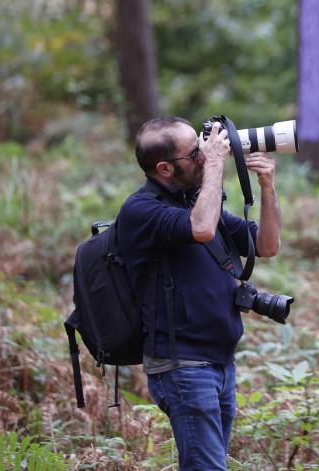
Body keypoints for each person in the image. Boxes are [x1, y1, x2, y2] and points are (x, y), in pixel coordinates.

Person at [117, 116, 281, 470]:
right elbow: (202, 228)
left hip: (222, 363)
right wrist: (218, 164)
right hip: (184, 367)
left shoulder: (196, 199)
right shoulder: (142, 210)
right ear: (164, 168)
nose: (206, 154)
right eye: (195, 152)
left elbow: (266, 245)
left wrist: (267, 185)